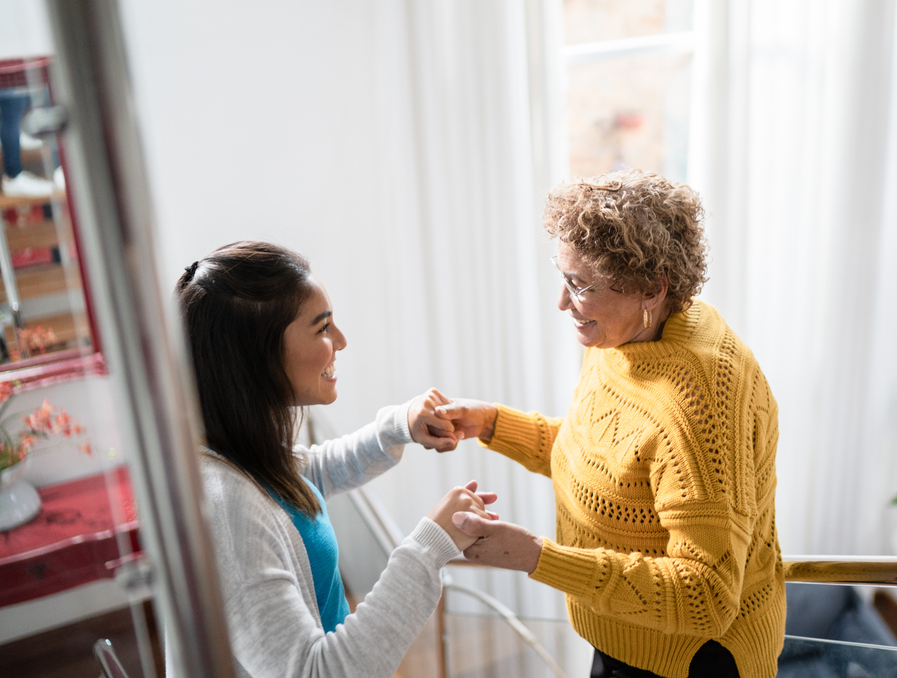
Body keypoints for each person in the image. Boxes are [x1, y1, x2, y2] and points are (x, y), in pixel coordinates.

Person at [415, 170, 786, 678]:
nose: (563, 303)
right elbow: (603, 459)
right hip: (626, 632)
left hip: (688, 661)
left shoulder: (700, 404)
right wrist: (492, 423)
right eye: (562, 277)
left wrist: (537, 557)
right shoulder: (625, 337)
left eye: (579, 285)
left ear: (651, 288)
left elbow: (706, 595)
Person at [175, 241, 496, 678]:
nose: (341, 341)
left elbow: (310, 474)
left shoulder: (239, 455)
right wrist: (429, 546)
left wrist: (401, 424)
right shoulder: (228, 508)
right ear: (258, 355)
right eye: (322, 328)